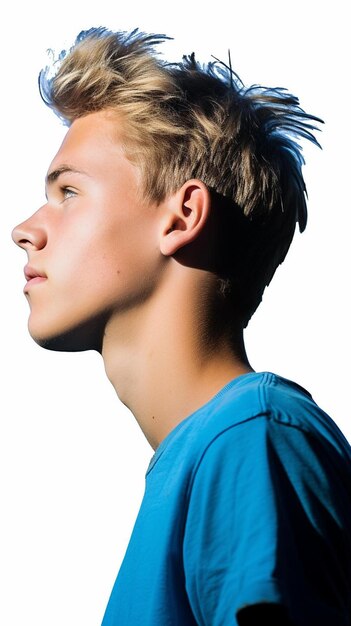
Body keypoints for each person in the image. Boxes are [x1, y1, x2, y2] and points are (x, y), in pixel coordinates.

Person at [12, 27, 351, 626]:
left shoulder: (252, 440)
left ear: (183, 216)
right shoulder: (207, 458)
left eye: (68, 192)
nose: (26, 229)